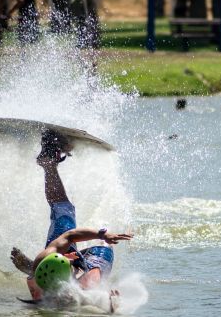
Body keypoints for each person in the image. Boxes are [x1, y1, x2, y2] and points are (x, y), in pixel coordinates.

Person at [10, 131, 132, 305]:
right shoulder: (86, 281)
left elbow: (70, 236)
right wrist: (111, 302)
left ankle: (48, 162)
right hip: (92, 262)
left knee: (64, 211)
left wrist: (102, 233)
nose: (70, 256)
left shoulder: (40, 265)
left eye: (68, 257)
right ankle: (112, 239)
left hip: (50, 264)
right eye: (68, 258)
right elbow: (102, 303)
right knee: (105, 249)